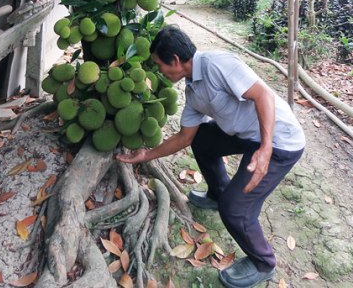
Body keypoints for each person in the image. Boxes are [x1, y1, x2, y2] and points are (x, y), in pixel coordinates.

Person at [116, 25, 305, 288]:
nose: (159, 71)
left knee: (235, 209)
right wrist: (146, 155)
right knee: (202, 139)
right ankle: (217, 193)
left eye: (160, 65)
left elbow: (263, 95)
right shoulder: (193, 90)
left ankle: (264, 263)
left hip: (279, 142)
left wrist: (265, 148)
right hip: (245, 135)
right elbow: (185, 137)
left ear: (176, 61)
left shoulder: (219, 64)